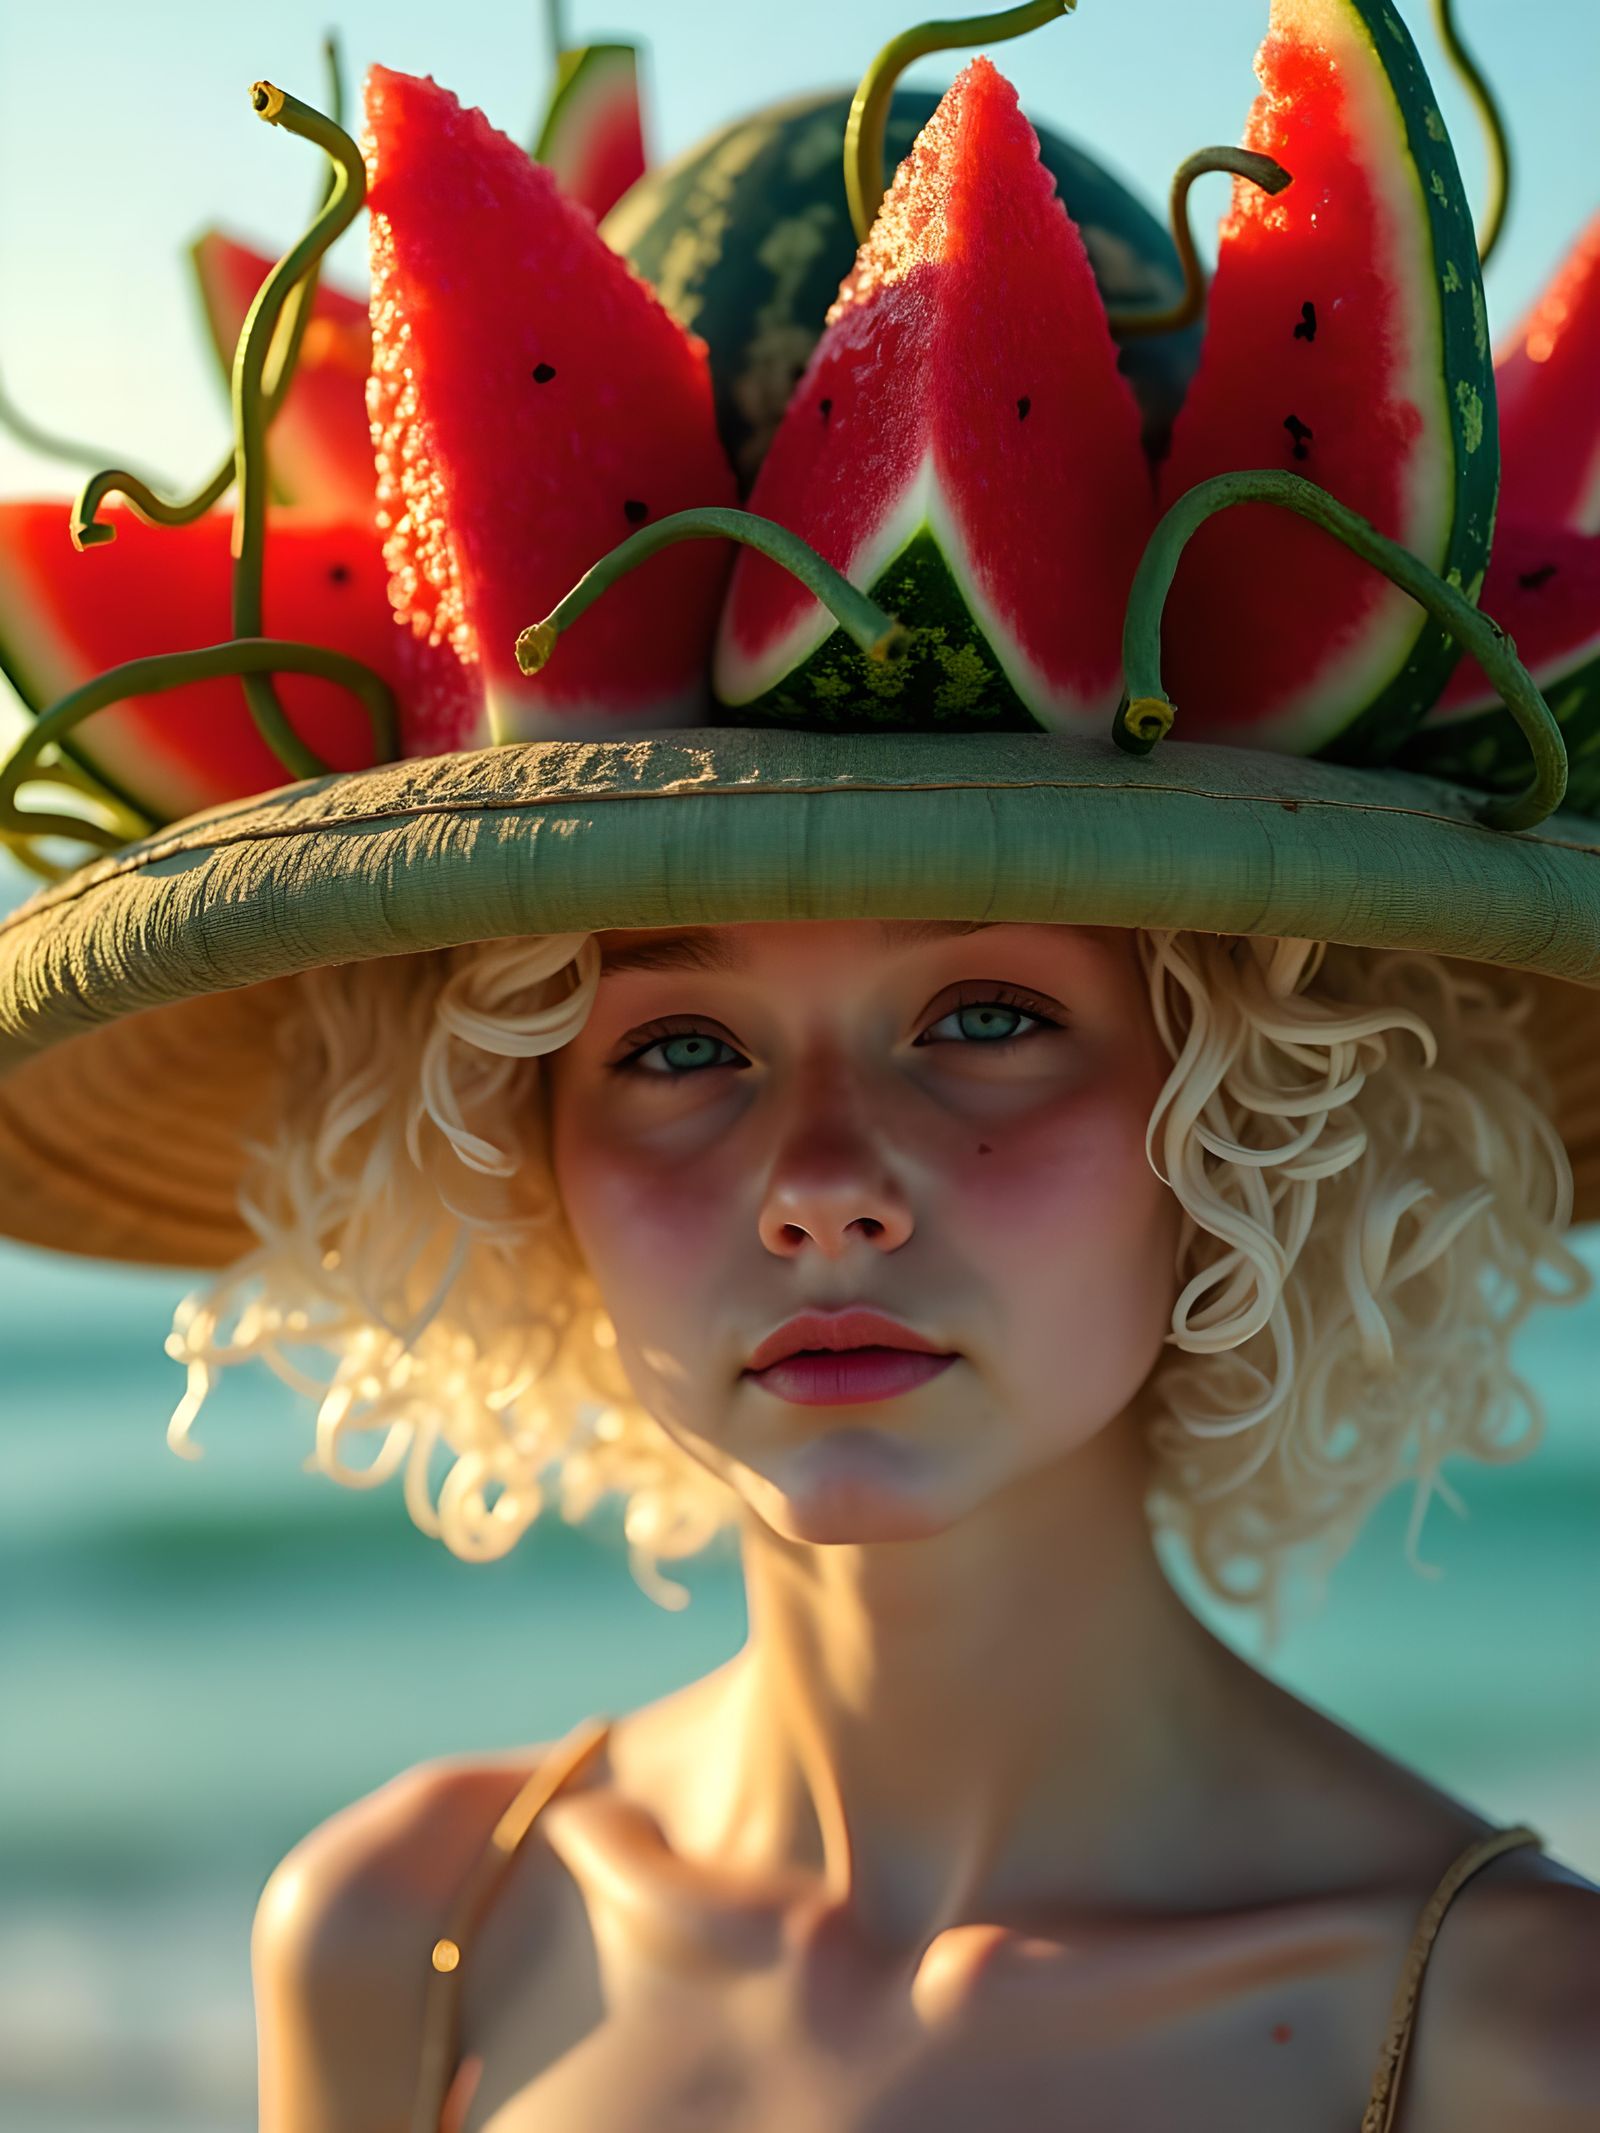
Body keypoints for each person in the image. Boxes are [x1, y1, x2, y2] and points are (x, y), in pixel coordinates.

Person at [1, 19, 1598, 2133]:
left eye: (983, 1017)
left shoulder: (1510, 2043)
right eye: (675, 1044)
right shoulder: (401, 1942)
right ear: (511, 1140)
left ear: (1255, 1102)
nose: (822, 1182)